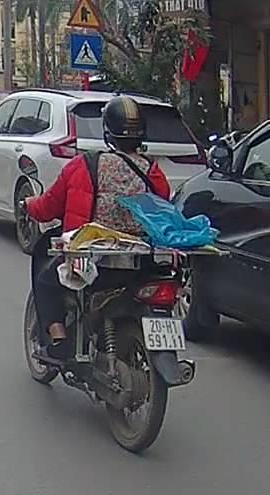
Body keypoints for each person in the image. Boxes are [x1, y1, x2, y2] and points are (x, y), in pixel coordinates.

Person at [24, 95, 171, 363]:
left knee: (46, 282)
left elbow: (47, 207)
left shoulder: (85, 165)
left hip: (94, 264)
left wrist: (29, 204)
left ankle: (59, 340)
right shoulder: (152, 170)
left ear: (107, 131)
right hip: (141, 263)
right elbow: (164, 206)